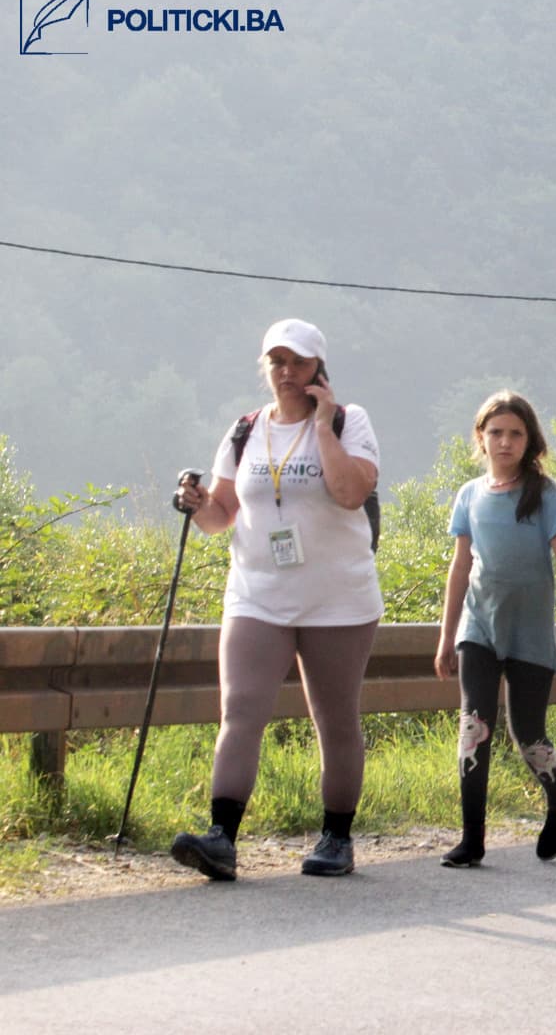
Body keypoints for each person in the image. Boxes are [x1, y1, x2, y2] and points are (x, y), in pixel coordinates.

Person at [170, 318, 382, 880]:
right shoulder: (244, 430)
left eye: (299, 362)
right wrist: (196, 504)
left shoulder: (348, 421)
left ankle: (336, 838)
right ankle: (221, 838)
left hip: (337, 599)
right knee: (240, 712)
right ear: (266, 367)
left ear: (318, 368)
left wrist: (322, 429)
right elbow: (220, 518)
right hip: (257, 593)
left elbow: (349, 492)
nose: (287, 372)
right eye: (277, 362)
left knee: (334, 720)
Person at [434, 391, 556, 868]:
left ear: (529, 440)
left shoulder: (545, 495)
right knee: (474, 728)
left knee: (527, 734)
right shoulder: (469, 495)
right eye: (496, 432)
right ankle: (472, 840)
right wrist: (446, 636)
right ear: (481, 438)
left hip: (530, 631)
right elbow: (459, 568)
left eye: (515, 433)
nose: (505, 441)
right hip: (479, 626)